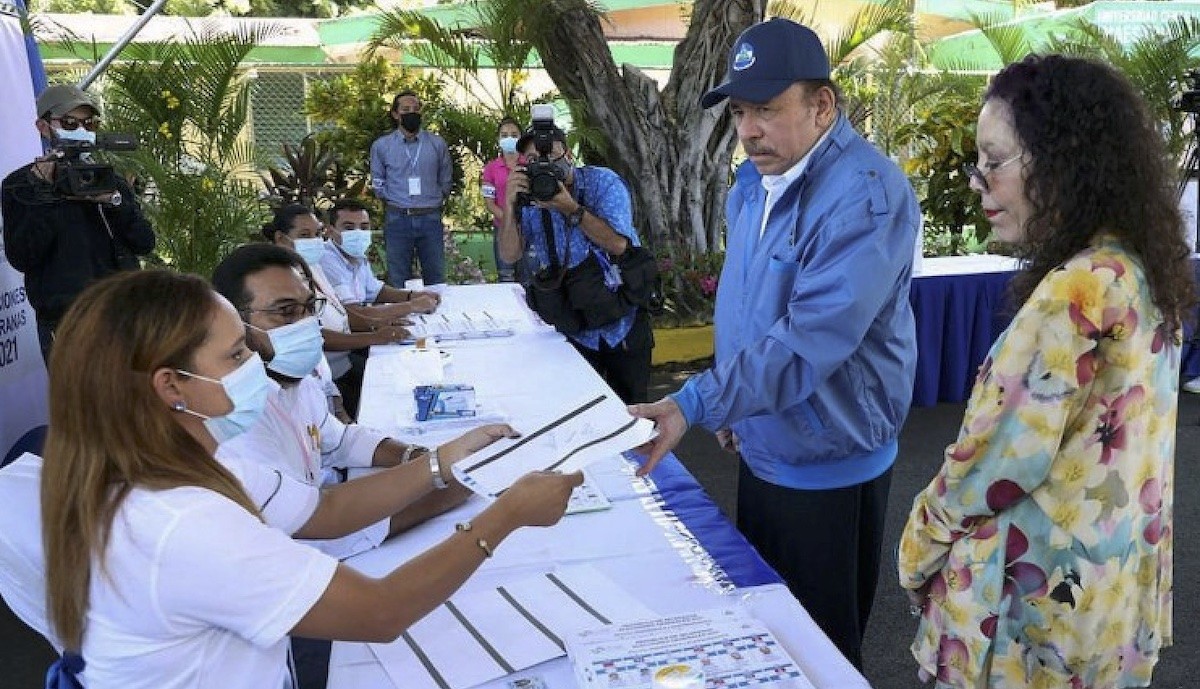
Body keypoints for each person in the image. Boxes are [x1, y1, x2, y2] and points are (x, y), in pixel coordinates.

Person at [25, 268, 580, 687]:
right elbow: (379, 611)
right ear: (173, 387)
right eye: (237, 353)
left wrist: (443, 461)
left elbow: (324, 512)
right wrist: (504, 516)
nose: (259, 359)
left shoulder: (184, 465)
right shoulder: (179, 520)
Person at [629, 18, 920, 669]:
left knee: (819, 655)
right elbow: (749, 309)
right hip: (764, 443)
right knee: (766, 636)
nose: (748, 128)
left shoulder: (866, 198)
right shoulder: (754, 183)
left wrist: (698, 402)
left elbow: (808, 341)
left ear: (823, 105)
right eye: (739, 111)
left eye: (766, 108)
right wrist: (732, 405)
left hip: (829, 465)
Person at [897, 55, 1195, 689]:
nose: (977, 182)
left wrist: (915, 551)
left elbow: (990, 465)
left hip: (1032, 619)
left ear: (1063, 162)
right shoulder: (1136, 270)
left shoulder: (1077, 290)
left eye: (993, 160)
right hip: (1105, 598)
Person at [212, 242, 461, 558]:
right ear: (234, 322)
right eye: (285, 312)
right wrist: (447, 487)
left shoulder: (294, 380)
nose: (305, 324)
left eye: (308, 307)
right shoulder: (237, 420)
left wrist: (422, 457)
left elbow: (340, 440)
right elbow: (314, 534)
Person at [499, 119, 654, 403]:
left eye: (550, 155)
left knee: (633, 417)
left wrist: (570, 208)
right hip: (573, 325)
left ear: (568, 156)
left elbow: (619, 245)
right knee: (581, 416)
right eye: (533, 160)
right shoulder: (528, 199)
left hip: (622, 322)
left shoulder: (602, 182)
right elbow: (510, 255)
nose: (543, 165)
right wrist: (509, 205)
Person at [1, 84, 155, 358]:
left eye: (89, 123)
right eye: (70, 123)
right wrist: (45, 192)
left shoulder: (109, 179)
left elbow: (144, 242)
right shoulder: (22, 185)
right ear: (43, 126)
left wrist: (114, 202)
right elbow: (23, 256)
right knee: (81, 401)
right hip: (67, 323)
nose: (81, 130)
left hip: (123, 313)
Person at [266, 204, 407, 419]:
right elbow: (318, 334)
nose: (315, 241)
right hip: (324, 374)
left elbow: (340, 312)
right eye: (305, 235)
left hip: (340, 366)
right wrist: (375, 335)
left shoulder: (311, 267)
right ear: (280, 238)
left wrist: (380, 325)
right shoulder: (278, 282)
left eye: (317, 234)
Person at [370, 90, 453, 286]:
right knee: (399, 277)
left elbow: (446, 177)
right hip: (398, 217)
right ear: (395, 114)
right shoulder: (382, 146)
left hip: (430, 217)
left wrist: (438, 197)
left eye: (416, 109)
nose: (412, 113)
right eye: (406, 109)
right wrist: (390, 200)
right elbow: (378, 180)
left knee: (436, 277)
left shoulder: (436, 144)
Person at [320, 198, 441, 331]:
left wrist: (413, 295)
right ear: (330, 231)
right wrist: (412, 306)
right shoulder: (326, 260)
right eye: (349, 227)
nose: (358, 233)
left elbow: (377, 291)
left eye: (364, 227)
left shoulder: (357, 256)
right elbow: (355, 314)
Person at [481, 116, 523, 282]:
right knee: (506, 277)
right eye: (504, 135)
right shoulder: (491, 168)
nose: (509, 138)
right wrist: (509, 219)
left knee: (530, 277)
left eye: (514, 134)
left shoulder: (529, 163)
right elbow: (489, 203)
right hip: (503, 228)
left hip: (529, 229)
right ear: (498, 139)